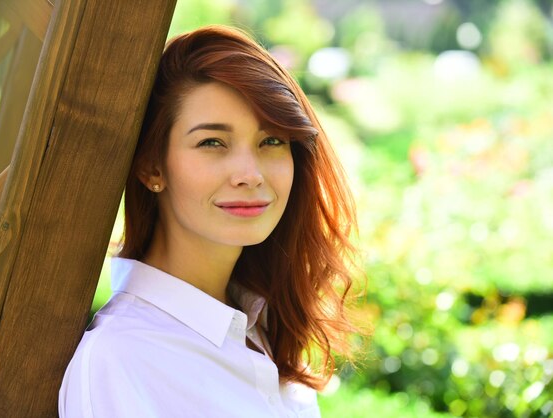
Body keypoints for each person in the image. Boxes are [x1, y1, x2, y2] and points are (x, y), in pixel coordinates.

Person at [59, 25, 362, 418]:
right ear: (153, 166)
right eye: (212, 142)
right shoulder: (120, 360)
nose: (250, 174)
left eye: (271, 140)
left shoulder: (261, 327)